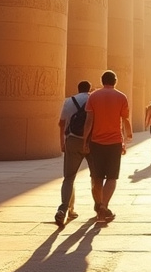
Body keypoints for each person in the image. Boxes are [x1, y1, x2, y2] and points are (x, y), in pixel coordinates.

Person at [82, 70, 131, 223]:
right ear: (115, 81)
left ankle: (99, 206)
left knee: (96, 177)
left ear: (102, 81)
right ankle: (104, 206)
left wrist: (84, 141)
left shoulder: (93, 96)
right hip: (114, 142)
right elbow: (124, 119)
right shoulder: (122, 97)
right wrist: (127, 137)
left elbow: (89, 120)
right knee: (111, 177)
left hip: (96, 142)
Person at [55, 80, 91, 227]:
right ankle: (100, 208)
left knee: (69, 178)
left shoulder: (69, 101)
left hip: (72, 140)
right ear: (89, 89)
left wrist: (62, 143)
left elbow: (61, 123)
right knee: (96, 177)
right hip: (90, 142)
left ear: (78, 88)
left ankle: (64, 209)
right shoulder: (93, 99)